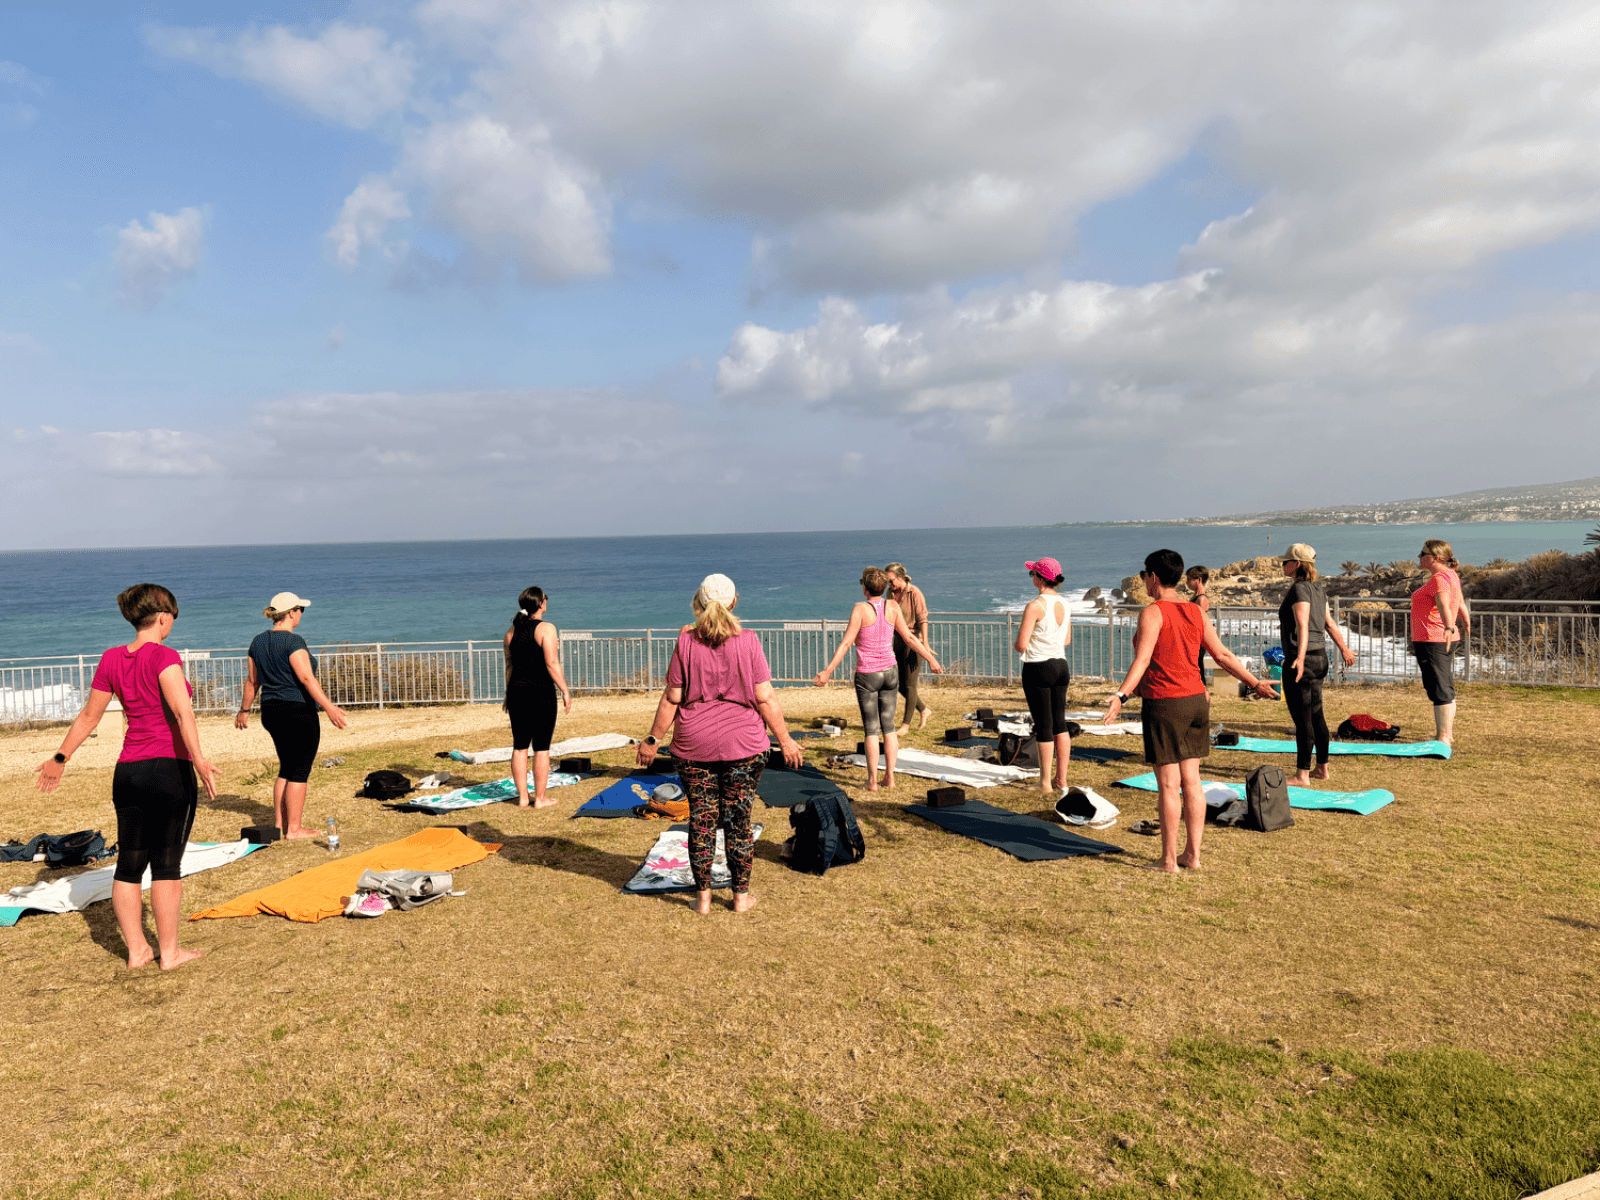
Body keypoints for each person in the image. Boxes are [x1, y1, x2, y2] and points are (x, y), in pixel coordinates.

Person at [34, 584, 218, 970]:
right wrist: (200, 761)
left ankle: (137, 951)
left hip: (129, 772)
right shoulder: (164, 656)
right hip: (168, 769)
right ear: (163, 618)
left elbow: (89, 716)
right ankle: (169, 953)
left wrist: (60, 757)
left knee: (129, 864)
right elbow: (182, 712)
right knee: (166, 865)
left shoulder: (111, 658)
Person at [635, 574, 802, 914]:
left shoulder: (685, 641)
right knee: (739, 820)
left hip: (694, 745)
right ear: (734, 602)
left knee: (702, 819)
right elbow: (765, 697)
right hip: (744, 744)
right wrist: (786, 740)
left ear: (698, 603)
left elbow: (672, 698)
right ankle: (740, 898)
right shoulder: (749, 641)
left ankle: (703, 899)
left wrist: (652, 740)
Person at [1103, 550, 1277, 873]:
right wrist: (1254, 682)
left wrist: (1120, 696)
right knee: (1192, 782)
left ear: (1153, 577)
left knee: (1169, 785)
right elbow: (1222, 655)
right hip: (1196, 701)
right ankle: (1192, 856)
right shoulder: (1195, 611)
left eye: (1144, 575)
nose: (1143, 580)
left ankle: (1169, 860)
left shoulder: (1153, 612)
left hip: (1165, 702)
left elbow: (1142, 659)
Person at [813, 567, 943, 792]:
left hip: (868, 675)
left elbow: (846, 643)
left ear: (865, 588)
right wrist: (930, 658)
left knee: (871, 730)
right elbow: (910, 638)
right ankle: (889, 778)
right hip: (890, 672)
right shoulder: (892, 606)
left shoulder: (860, 610)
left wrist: (828, 671)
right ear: (883, 588)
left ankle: (872, 781)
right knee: (889, 728)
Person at [236, 592, 349, 837]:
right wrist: (329, 707)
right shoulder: (293, 641)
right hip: (297, 710)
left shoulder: (258, 642)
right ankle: (294, 829)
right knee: (300, 769)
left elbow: (252, 681)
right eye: (300, 610)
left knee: (286, 768)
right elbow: (306, 678)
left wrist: (244, 710)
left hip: (271, 711)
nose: (301, 615)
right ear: (290, 613)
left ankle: (280, 825)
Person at [1276, 545, 1358, 787]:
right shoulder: (1318, 589)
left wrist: (1299, 659)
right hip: (1320, 657)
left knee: (1304, 720)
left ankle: (1302, 775)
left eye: (1286, 562)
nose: (1282, 565)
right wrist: (1344, 649)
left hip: (1303, 659)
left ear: (1296, 565)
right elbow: (1329, 624)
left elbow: (1302, 625)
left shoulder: (1299, 589)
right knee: (1316, 714)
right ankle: (1322, 769)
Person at [503, 586, 574, 807]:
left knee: (520, 746)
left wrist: (507, 694)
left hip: (516, 692)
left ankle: (523, 798)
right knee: (541, 747)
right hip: (540, 692)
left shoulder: (511, 632)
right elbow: (552, 663)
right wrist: (565, 690)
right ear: (541, 604)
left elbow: (509, 667)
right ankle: (540, 798)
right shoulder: (546, 629)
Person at [1012, 557, 1073, 793]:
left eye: (1033, 574)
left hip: (1038, 667)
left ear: (1039, 579)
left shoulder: (1035, 606)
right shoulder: (1065, 603)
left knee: (1044, 725)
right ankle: (1062, 780)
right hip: (1061, 665)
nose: (1032, 578)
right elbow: (1066, 640)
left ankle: (1045, 782)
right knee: (1060, 723)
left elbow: (1021, 645)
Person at [1411, 538, 1465, 745]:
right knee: (1443, 685)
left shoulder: (1440, 579)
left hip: (1433, 639)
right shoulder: (1451, 575)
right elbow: (1460, 603)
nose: (1419, 556)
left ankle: (1443, 737)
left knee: (1439, 688)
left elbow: (1443, 604)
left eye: (1423, 553)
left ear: (1436, 558)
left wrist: (1449, 627)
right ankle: (1445, 734)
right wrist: (1465, 623)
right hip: (1441, 638)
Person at [884, 563, 932, 733]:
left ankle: (906, 725)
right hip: (898, 640)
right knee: (898, 684)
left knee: (910, 684)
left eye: (891, 580)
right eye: (887, 581)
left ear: (900, 577)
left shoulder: (915, 593)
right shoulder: (890, 593)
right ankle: (924, 710)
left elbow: (923, 619)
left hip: (913, 640)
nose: (889, 584)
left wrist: (925, 643)